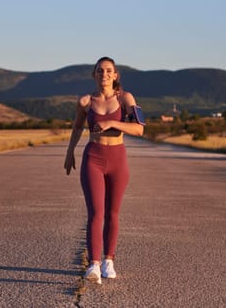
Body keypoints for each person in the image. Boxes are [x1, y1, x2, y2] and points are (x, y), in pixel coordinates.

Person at [64, 56, 144, 284]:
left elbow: (139, 129)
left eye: (109, 70)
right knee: (96, 213)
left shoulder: (125, 98)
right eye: (100, 71)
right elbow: (78, 126)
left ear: (115, 75)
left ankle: (109, 260)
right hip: (94, 158)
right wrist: (70, 152)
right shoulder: (86, 102)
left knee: (113, 213)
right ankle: (94, 265)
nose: (104, 74)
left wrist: (112, 123)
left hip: (118, 159)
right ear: (94, 75)